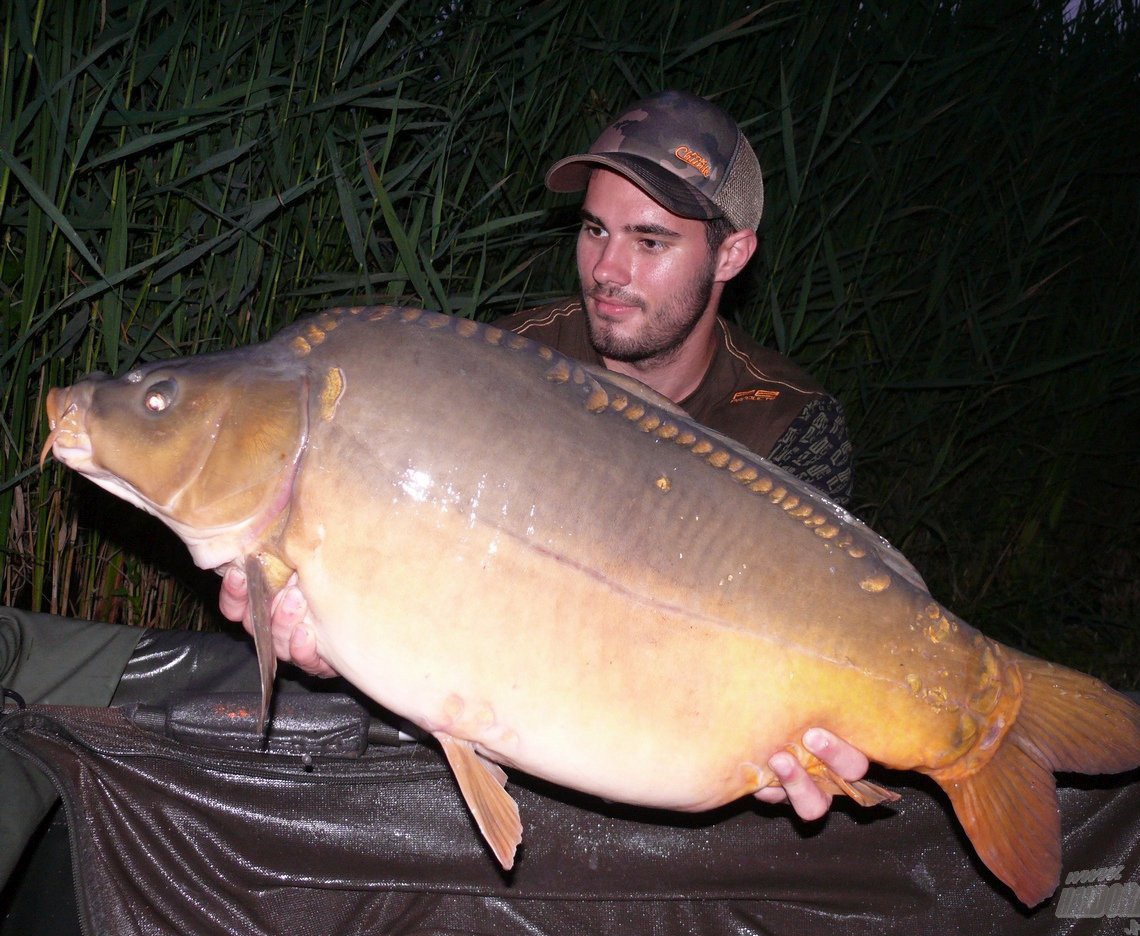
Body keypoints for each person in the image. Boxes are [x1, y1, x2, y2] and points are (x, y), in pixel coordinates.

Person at [220, 90, 870, 820]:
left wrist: (798, 737)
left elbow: (808, 652)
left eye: (649, 242)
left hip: (671, 750)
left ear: (731, 254)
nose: (607, 269)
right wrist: (336, 646)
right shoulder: (504, 367)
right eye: (595, 230)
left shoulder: (790, 423)